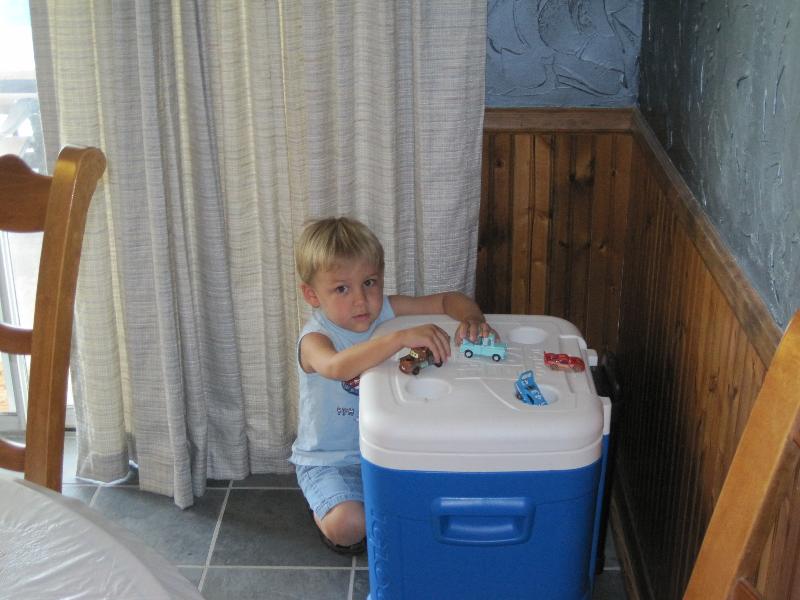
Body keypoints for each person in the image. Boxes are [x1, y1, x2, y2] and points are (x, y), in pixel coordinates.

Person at [290, 216, 496, 554]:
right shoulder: (315, 338)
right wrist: (399, 337)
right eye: (342, 289)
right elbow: (336, 367)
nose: (361, 300)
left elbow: (448, 300)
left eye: (369, 282)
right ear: (312, 294)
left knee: (441, 496)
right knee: (348, 526)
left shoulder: (385, 311)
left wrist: (473, 318)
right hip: (330, 461)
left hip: (387, 452)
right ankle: (327, 505)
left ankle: (380, 510)